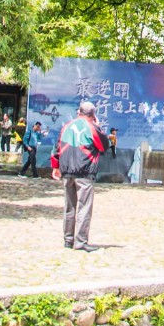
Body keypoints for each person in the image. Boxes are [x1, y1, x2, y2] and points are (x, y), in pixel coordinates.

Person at [55, 100, 106, 250]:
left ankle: (68, 240)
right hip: (84, 171)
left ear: (79, 112)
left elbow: (57, 147)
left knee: (69, 206)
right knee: (84, 207)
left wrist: (55, 166)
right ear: (93, 115)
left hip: (67, 171)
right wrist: (98, 126)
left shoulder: (66, 126)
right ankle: (81, 242)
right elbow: (103, 146)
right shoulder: (92, 128)